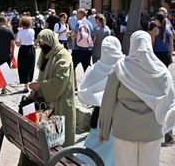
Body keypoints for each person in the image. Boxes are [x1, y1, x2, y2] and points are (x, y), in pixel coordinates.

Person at [99, 30, 175, 166]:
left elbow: (108, 101)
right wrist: (168, 131)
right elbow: (169, 103)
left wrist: (104, 130)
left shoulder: (120, 68)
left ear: (132, 44)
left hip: (124, 128)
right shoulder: (162, 71)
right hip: (152, 129)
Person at [77, 36, 123, 166]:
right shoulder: (124, 66)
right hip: (118, 117)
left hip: (99, 116)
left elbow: (83, 93)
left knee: (94, 147)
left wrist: (98, 98)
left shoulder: (97, 67)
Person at [29, 29, 76, 147]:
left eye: (44, 45)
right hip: (47, 107)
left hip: (60, 105)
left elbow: (60, 82)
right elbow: (42, 76)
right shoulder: (48, 55)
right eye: (40, 45)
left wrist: (40, 85)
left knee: (60, 143)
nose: (42, 48)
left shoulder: (63, 55)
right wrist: (36, 91)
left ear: (51, 42)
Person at [71, 8, 94, 89]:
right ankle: (89, 86)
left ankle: (75, 86)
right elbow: (93, 36)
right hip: (88, 50)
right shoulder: (90, 23)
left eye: (77, 13)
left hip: (77, 50)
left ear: (81, 14)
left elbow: (74, 36)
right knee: (87, 69)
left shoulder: (79, 23)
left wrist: (70, 35)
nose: (76, 15)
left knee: (72, 67)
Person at [15, 16, 35, 93]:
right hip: (31, 49)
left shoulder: (20, 32)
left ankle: (26, 85)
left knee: (23, 66)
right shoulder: (32, 31)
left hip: (23, 49)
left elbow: (17, 44)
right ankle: (29, 82)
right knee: (30, 65)